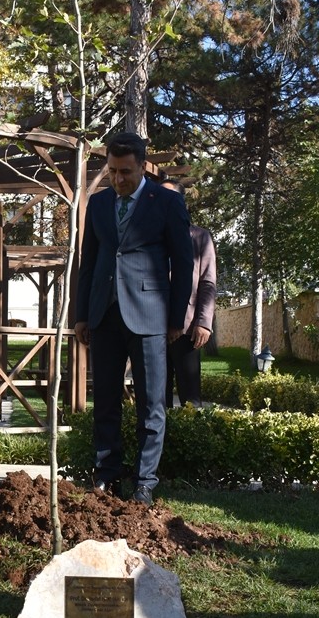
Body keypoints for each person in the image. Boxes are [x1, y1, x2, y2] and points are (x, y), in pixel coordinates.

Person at [73, 132, 194, 505]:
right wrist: (82, 315)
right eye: (112, 170)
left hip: (150, 317)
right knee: (105, 400)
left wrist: (175, 318)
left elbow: (184, 263)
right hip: (105, 315)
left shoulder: (168, 203)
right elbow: (88, 262)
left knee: (151, 404)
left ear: (143, 167)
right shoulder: (98, 203)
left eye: (125, 171)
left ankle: (145, 483)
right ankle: (106, 476)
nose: (118, 178)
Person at [161, 179, 217, 409]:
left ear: (181, 203)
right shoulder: (148, 235)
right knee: (156, 398)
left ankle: (193, 440)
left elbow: (208, 283)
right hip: (152, 327)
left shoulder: (200, 237)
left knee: (190, 399)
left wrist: (204, 322)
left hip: (187, 329)